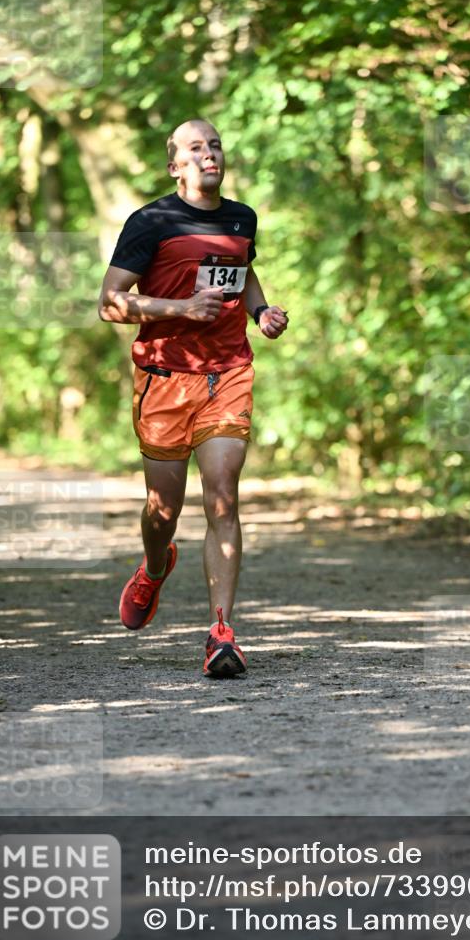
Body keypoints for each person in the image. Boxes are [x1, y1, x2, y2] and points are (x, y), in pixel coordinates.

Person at [98, 118, 288, 677]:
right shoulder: (150, 221)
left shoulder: (241, 218)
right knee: (164, 510)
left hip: (227, 371)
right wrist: (180, 308)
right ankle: (155, 567)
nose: (209, 153)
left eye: (215, 145)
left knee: (223, 496)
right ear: (175, 165)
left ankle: (221, 633)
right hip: (164, 376)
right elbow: (110, 302)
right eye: (196, 147)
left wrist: (261, 311)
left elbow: (243, 271)